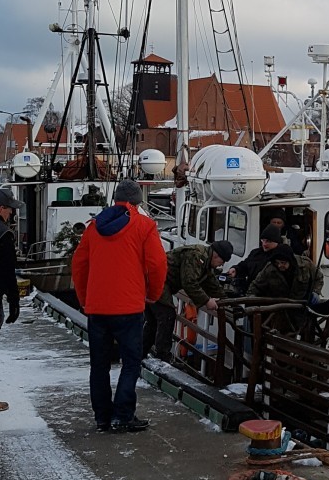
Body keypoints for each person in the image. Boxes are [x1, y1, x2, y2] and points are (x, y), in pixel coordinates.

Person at [72, 178, 168, 432]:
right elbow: (157, 265)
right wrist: (153, 294)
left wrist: (84, 299)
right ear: (138, 201)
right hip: (129, 307)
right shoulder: (145, 226)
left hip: (97, 308)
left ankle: (102, 417)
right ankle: (123, 415)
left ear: (115, 199)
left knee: (99, 365)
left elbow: (79, 265)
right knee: (131, 363)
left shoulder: (93, 227)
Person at [144, 239, 233, 361]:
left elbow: (211, 283)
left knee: (153, 321)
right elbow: (189, 283)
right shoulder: (196, 255)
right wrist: (207, 301)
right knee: (167, 315)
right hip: (158, 280)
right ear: (216, 255)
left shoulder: (205, 261)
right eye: (221, 262)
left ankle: (140, 353)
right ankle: (162, 357)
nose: (221, 265)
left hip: (157, 280)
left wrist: (226, 301)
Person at [247, 243, 324, 333]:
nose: (280, 265)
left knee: (305, 336)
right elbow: (255, 285)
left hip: (302, 310)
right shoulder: (270, 269)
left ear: (290, 261)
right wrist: (251, 298)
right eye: (277, 263)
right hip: (281, 313)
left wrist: (315, 292)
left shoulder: (305, 265)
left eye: (283, 263)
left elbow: (318, 277)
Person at [228, 223, 285, 295]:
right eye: (263, 240)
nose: (264, 244)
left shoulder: (282, 255)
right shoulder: (255, 253)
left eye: (268, 241)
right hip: (252, 294)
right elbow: (245, 265)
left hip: (271, 297)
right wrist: (236, 269)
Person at [0, 185, 22, 340]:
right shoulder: (4, 234)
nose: (12, 212)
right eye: (9, 208)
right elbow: (7, 269)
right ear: (1, 208)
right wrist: (14, 299)